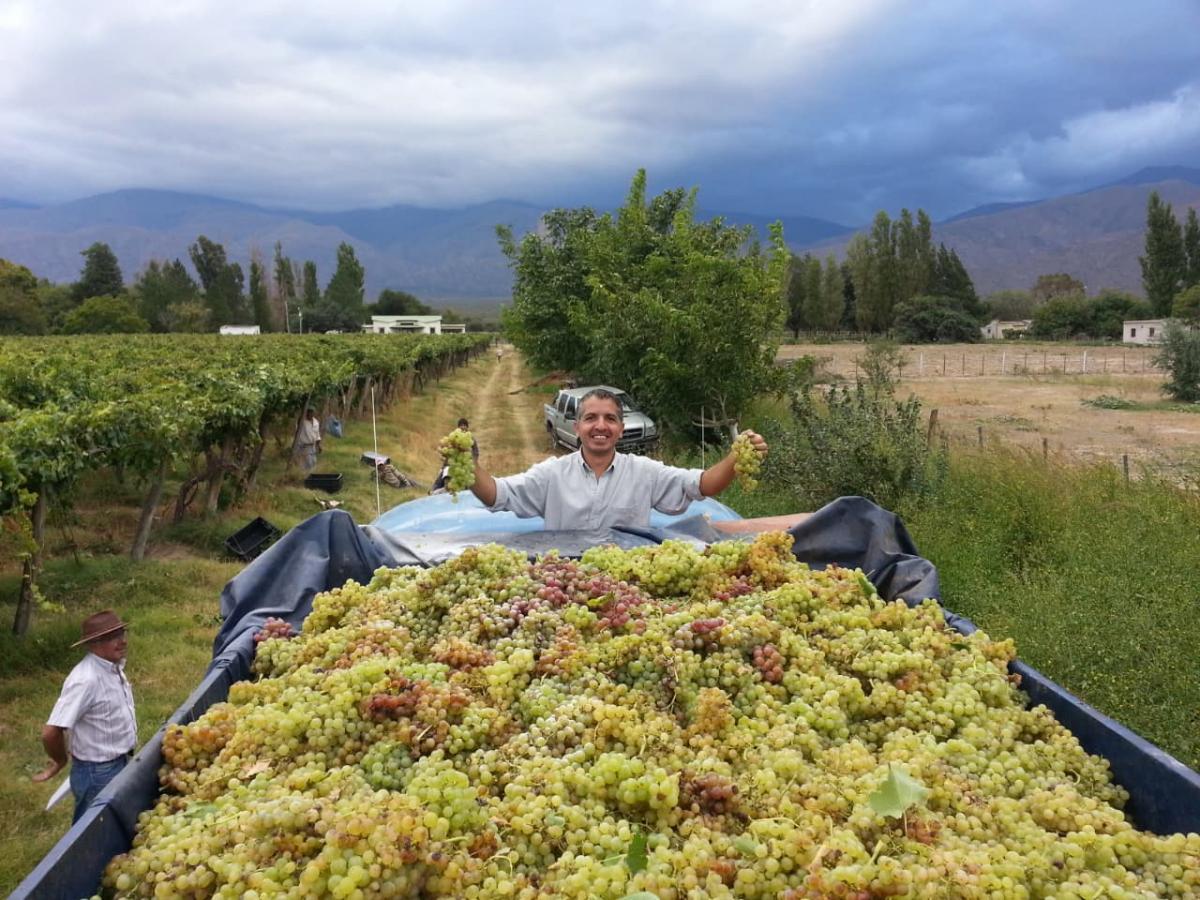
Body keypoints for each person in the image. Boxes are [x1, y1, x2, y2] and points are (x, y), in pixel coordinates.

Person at [467, 388, 767, 530]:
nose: (600, 426)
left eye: (610, 418)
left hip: (625, 587)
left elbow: (702, 485)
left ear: (620, 430)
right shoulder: (552, 474)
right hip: (563, 583)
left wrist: (735, 458)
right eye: (590, 418)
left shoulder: (643, 472)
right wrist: (468, 466)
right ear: (577, 427)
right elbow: (498, 495)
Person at [33, 610, 137, 823]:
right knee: (91, 833)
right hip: (97, 773)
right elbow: (51, 732)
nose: (121, 641)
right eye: (111, 637)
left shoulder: (112, 668)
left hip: (119, 761)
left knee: (114, 826)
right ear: (93, 644)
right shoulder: (85, 680)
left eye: (121, 633)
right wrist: (60, 761)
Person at [431, 418, 479, 493]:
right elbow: (447, 449)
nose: (463, 427)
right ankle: (433, 490)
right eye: (461, 425)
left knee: (474, 478)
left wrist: (472, 461)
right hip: (452, 463)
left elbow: (476, 453)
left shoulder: (471, 439)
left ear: (467, 427)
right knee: (441, 474)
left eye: (465, 425)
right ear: (458, 427)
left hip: (465, 465)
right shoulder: (453, 437)